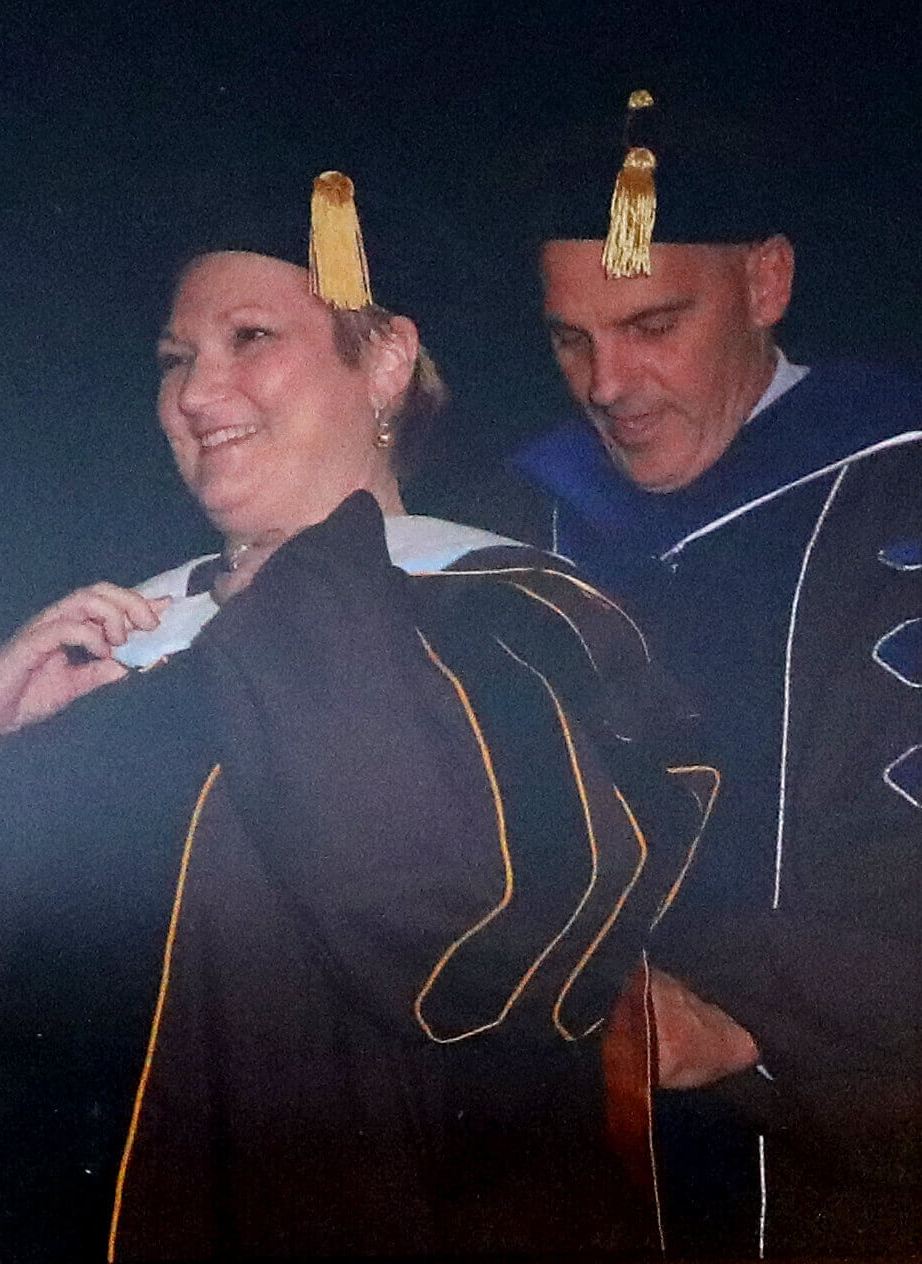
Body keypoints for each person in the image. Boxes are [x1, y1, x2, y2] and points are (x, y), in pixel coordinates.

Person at [0, 172, 715, 1261]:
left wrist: (301, 588)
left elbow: (465, 932)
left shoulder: (508, 618)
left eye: (248, 338)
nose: (195, 392)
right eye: (175, 360)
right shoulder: (127, 635)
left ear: (381, 360)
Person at [468, 91, 921, 1257]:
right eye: (571, 338)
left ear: (764, 283)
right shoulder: (526, 519)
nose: (605, 385)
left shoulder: (897, 493)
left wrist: (748, 1018)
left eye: (652, 325)